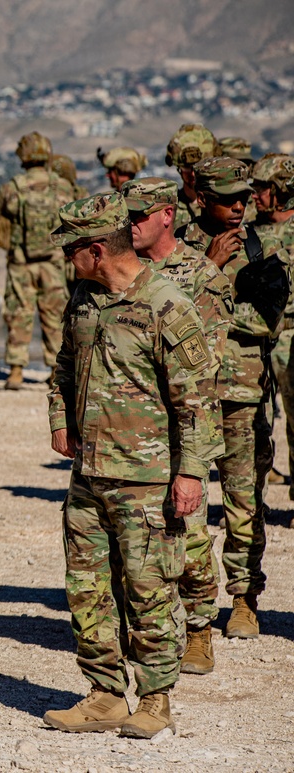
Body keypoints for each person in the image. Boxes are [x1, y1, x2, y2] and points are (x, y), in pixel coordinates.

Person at [45, 192, 215, 739]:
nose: (67, 258)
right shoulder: (84, 298)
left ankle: (157, 700)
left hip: (147, 481)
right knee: (87, 590)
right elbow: (64, 366)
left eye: (72, 249)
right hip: (89, 475)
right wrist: (59, 418)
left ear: (97, 250)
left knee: (149, 590)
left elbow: (197, 399)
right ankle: (103, 696)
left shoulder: (167, 304)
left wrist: (190, 474)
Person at [122, 177, 233, 675]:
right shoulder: (121, 270)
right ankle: (146, 627)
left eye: (140, 215)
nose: (131, 224)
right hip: (127, 427)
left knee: (186, 533)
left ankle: (199, 629)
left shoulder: (201, 275)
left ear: (166, 215)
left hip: (180, 425)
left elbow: (204, 367)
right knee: (133, 537)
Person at [180, 156, 292, 640]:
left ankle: (245, 597)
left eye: (246, 198)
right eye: (229, 199)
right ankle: (194, 606)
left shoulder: (263, 248)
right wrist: (212, 271)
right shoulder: (177, 248)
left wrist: (211, 288)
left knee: (244, 500)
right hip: (185, 397)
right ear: (201, 198)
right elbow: (163, 312)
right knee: (184, 506)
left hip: (241, 393)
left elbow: (268, 319)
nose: (241, 208)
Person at [0, 131, 75, 389]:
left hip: (21, 264)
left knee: (19, 315)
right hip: (52, 263)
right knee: (54, 317)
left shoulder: (12, 187)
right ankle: (54, 370)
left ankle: (16, 371)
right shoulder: (62, 186)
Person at [250, 155, 294, 495]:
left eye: (262, 188)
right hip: (256, 337)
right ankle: (250, 505)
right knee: (252, 424)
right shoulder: (248, 231)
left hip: (291, 336)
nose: (254, 194)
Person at [165, 123, 218, 233]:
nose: (193, 174)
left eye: (199, 168)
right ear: (179, 168)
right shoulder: (169, 209)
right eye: (187, 168)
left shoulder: (219, 206)